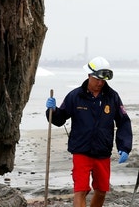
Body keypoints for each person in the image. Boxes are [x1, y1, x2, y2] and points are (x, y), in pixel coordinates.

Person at [46, 56, 132, 207]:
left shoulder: (112, 97)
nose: (100, 83)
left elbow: (123, 121)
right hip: (81, 150)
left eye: (103, 80)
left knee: (101, 190)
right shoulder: (75, 96)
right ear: (89, 75)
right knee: (81, 190)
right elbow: (59, 119)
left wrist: (124, 147)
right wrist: (52, 110)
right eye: (97, 79)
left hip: (102, 151)